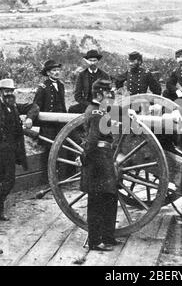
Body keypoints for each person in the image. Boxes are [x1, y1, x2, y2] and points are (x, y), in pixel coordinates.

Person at [0, 79, 39, 222]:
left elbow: (34, 106)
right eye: (6, 91)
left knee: (9, 181)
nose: (9, 94)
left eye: (11, 91)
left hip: (10, 152)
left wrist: (29, 118)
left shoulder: (15, 107)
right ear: (0, 93)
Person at [80, 79, 120, 251]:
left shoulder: (102, 110)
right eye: (108, 92)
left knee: (110, 198)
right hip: (97, 160)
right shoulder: (96, 112)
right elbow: (91, 141)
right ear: (99, 94)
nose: (111, 94)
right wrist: (84, 158)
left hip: (105, 158)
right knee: (97, 203)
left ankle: (108, 236)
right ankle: (95, 241)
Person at [33, 59, 67, 141]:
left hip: (61, 118)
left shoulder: (61, 85)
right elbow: (36, 104)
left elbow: (63, 104)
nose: (57, 72)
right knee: (50, 143)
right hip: (48, 122)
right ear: (48, 73)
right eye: (54, 70)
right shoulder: (43, 87)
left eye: (58, 70)